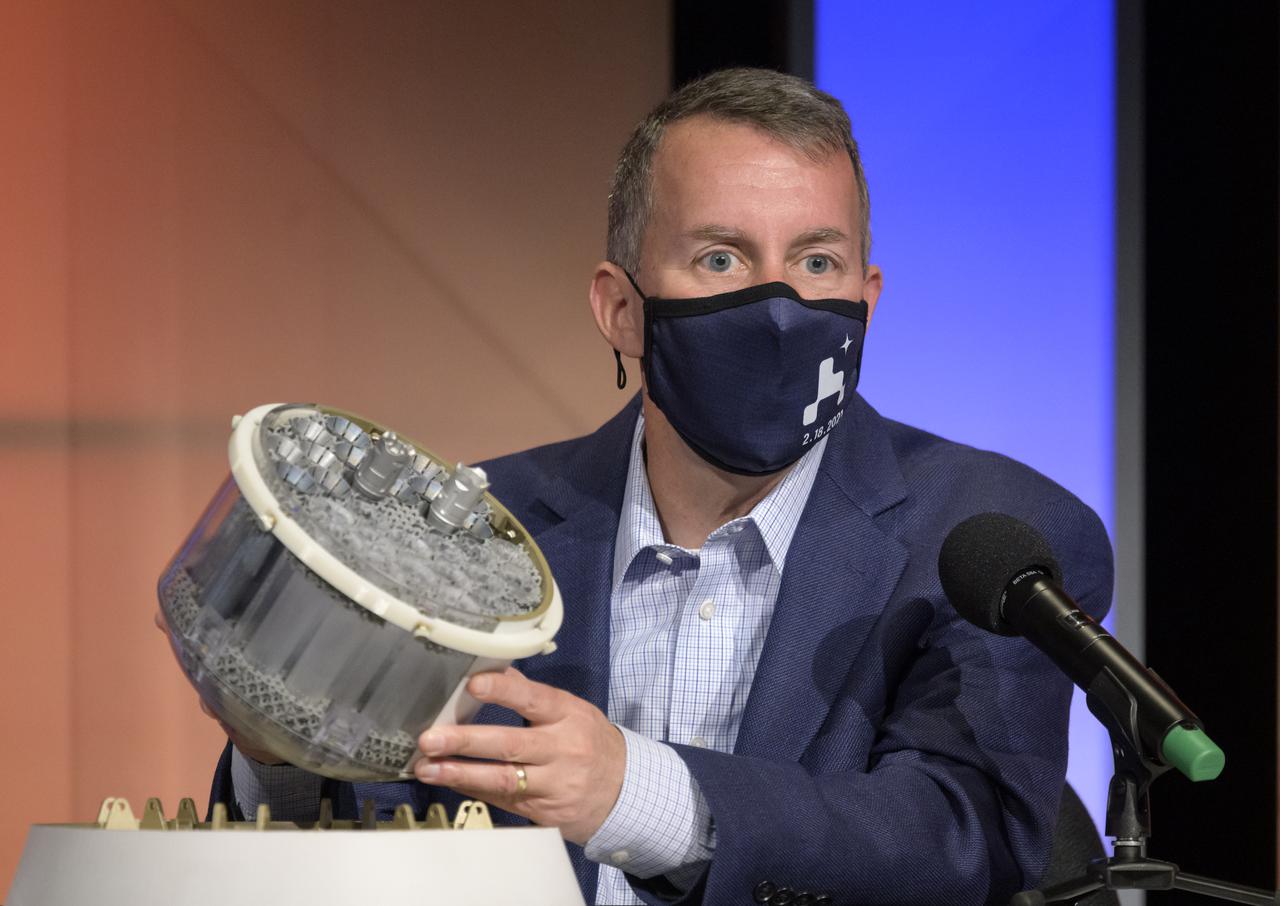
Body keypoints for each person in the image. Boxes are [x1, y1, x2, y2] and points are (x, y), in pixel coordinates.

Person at [206, 68, 1113, 905]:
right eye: (721, 258)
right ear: (621, 309)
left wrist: (641, 796)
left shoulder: (987, 537)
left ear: (867, 302)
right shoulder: (476, 529)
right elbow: (366, 829)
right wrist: (277, 745)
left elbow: (963, 839)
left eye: (816, 263)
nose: (777, 308)